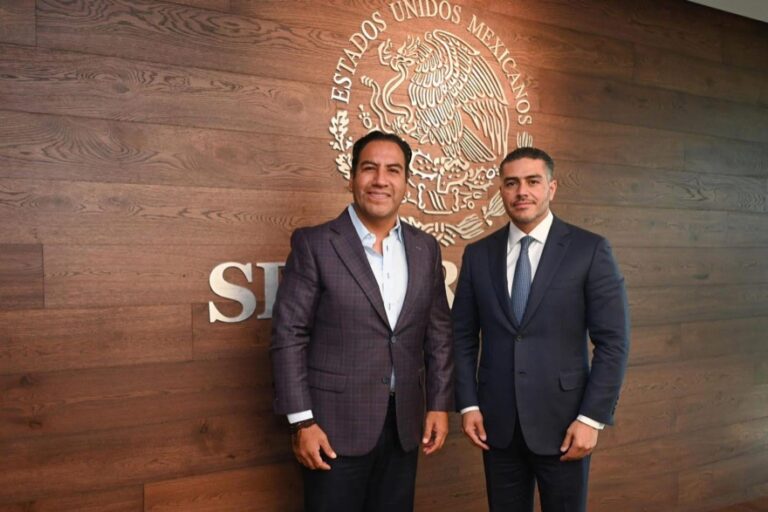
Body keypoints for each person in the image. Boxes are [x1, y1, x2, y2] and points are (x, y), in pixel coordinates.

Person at [270, 130, 454, 512]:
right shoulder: (316, 244)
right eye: (369, 168)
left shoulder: (425, 248)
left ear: (406, 182)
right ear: (352, 177)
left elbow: (438, 333)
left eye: (393, 170)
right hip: (332, 429)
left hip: (404, 426)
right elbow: (289, 335)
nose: (380, 180)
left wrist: (438, 404)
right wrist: (302, 422)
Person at [452, 147, 630, 511]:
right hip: (496, 425)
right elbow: (462, 337)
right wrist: (468, 404)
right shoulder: (478, 254)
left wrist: (591, 418)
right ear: (501, 191)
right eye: (511, 183)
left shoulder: (589, 250)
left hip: (566, 424)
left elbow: (613, 342)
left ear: (551, 187)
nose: (522, 192)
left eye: (533, 181)